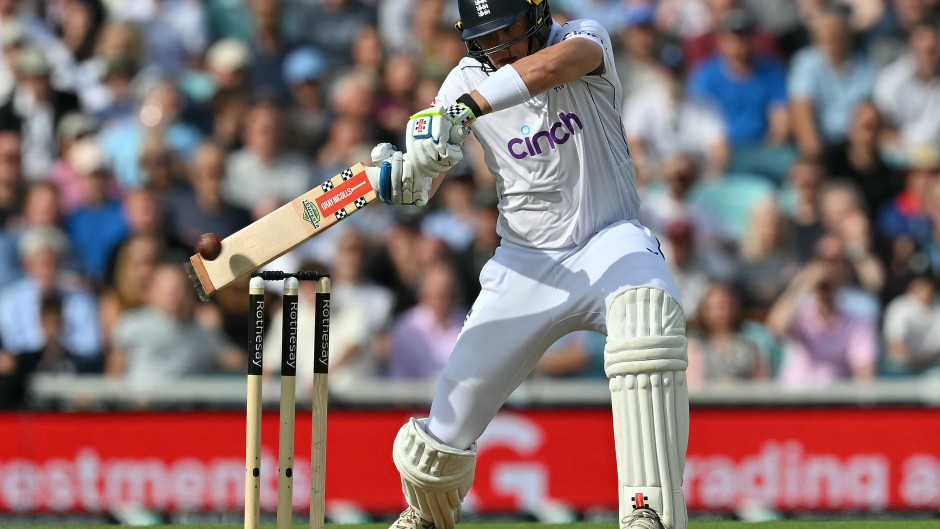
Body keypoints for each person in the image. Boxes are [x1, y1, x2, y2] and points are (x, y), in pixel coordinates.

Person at [369, 2, 688, 528]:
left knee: (646, 317)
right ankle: (426, 517)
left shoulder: (584, 38)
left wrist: (465, 108)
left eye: (510, 32)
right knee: (435, 446)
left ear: (537, 14)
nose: (502, 48)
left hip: (609, 240)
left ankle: (646, 511)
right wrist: (409, 176)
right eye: (487, 40)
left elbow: (555, 65)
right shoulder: (460, 85)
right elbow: (427, 181)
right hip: (525, 265)